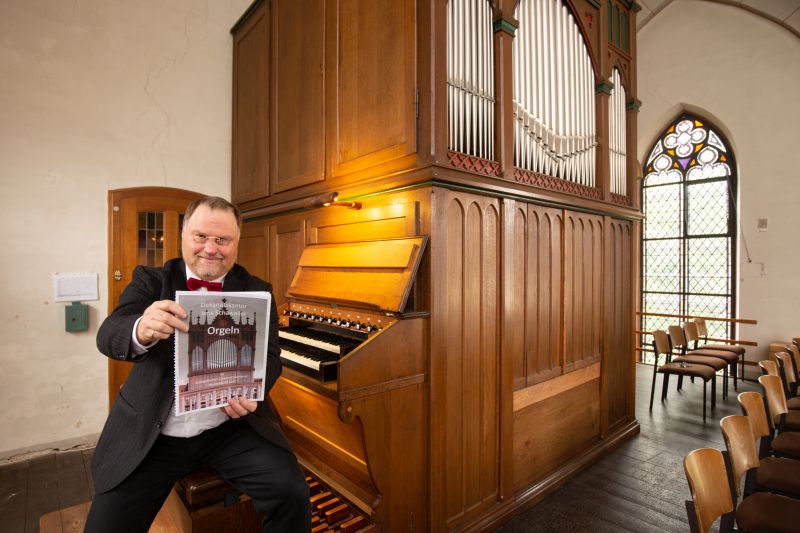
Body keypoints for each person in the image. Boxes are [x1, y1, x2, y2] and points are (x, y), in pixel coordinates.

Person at [85, 196, 311, 532]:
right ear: (183, 237)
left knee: (292, 493)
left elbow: (271, 356)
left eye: (223, 240)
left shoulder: (256, 288)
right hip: (155, 433)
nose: (211, 248)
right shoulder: (151, 280)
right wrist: (140, 329)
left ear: (236, 244)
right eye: (200, 237)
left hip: (228, 430)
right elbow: (109, 333)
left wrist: (256, 392)